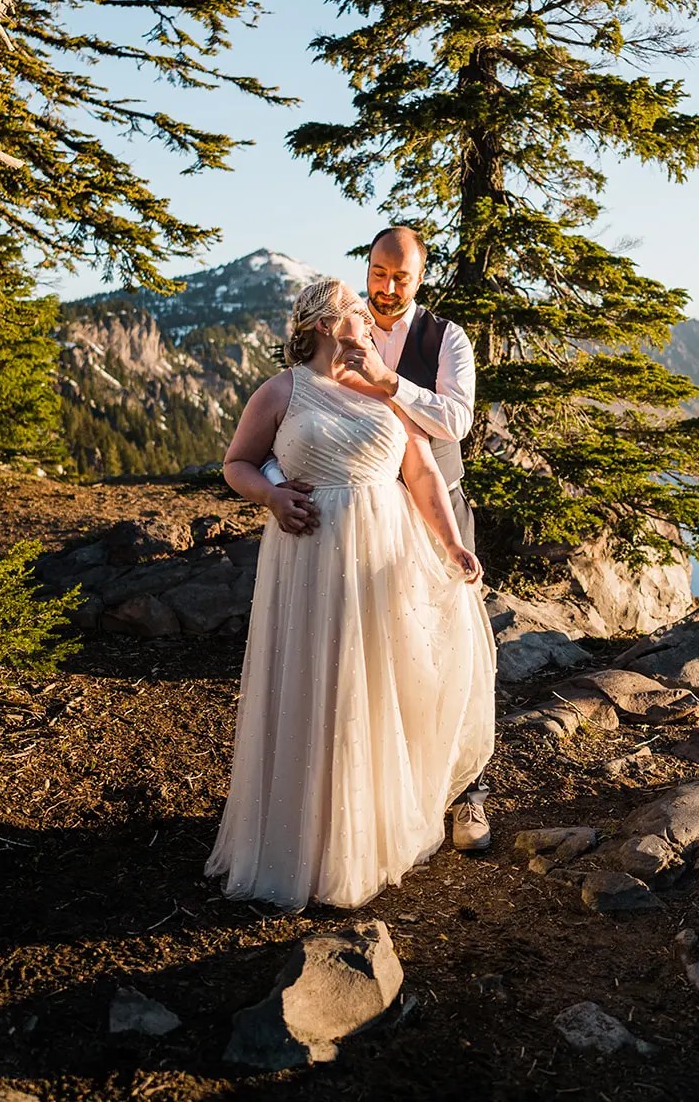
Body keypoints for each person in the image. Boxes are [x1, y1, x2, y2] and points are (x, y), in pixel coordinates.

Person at [205, 277, 496, 911]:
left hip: (383, 555)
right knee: (320, 684)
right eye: (355, 312)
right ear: (322, 326)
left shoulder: (384, 389)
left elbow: (419, 473)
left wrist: (450, 544)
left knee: (374, 684)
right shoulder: (281, 391)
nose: (368, 319)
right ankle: (302, 839)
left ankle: (368, 833)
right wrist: (272, 496)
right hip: (309, 556)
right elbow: (237, 463)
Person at [263, 225, 492, 853]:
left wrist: (389, 383)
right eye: (379, 273)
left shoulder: (445, 338)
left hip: (434, 500)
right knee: (371, 659)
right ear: (367, 268)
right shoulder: (340, 318)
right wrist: (281, 482)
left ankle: (464, 794)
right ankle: (372, 794)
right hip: (351, 520)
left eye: (402, 277)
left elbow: (455, 421)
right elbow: (289, 427)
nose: (387, 288)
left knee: (446, 647)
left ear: (421, 277)